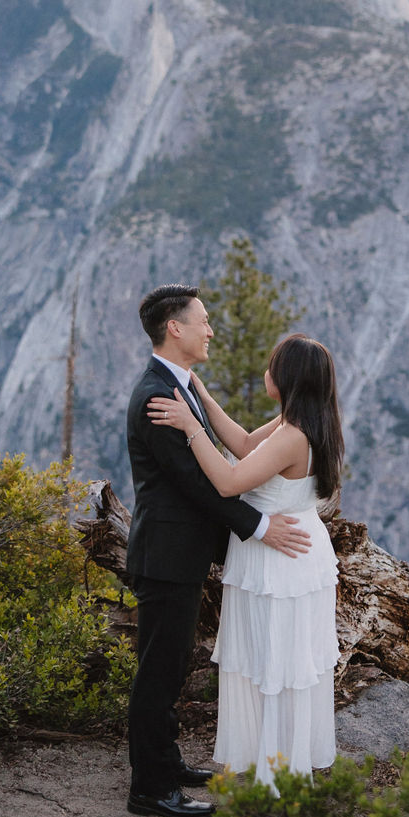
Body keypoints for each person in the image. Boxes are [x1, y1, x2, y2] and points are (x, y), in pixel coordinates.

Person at [125, 284, 312, 817]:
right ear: (174, 328)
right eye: (202, 320)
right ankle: (151, 790)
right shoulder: (159, 396)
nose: (210, 330)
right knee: (158, 674)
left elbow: (222, 460)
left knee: (168, 668)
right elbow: (196, 485)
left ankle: (167, 763)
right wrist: (259, 528)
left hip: (177, 554)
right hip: (166, 556)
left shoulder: (177, 387)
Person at [148, 333, 342, 790]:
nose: (265, 372)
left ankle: (279, 776)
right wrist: (202, 398)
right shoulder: (299, 424)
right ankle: (279, 766)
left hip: (278, 562)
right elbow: (240, 443)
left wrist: (189, 427)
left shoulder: (292, 436)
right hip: (293, 552)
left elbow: (230, 481)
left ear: (288, 377)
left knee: (275, 661)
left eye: (272, 365)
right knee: (280, 661)